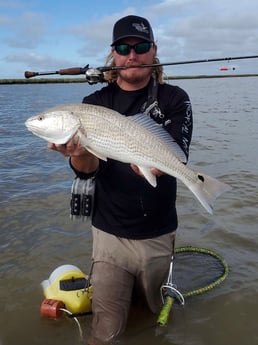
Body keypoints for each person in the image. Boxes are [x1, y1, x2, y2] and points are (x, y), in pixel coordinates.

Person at [49, 15, 193, 345]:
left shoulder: (174, 98)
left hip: (158, 232)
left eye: (141, 47)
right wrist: (75, 152)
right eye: (123, 48)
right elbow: (87, 170)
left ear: (154, 51)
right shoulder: (94, 104)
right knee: (106, 333)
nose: (132, 55)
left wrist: (151, 162)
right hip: (109, 233)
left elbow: (177, 155)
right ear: (112, 55)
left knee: (157, 320)